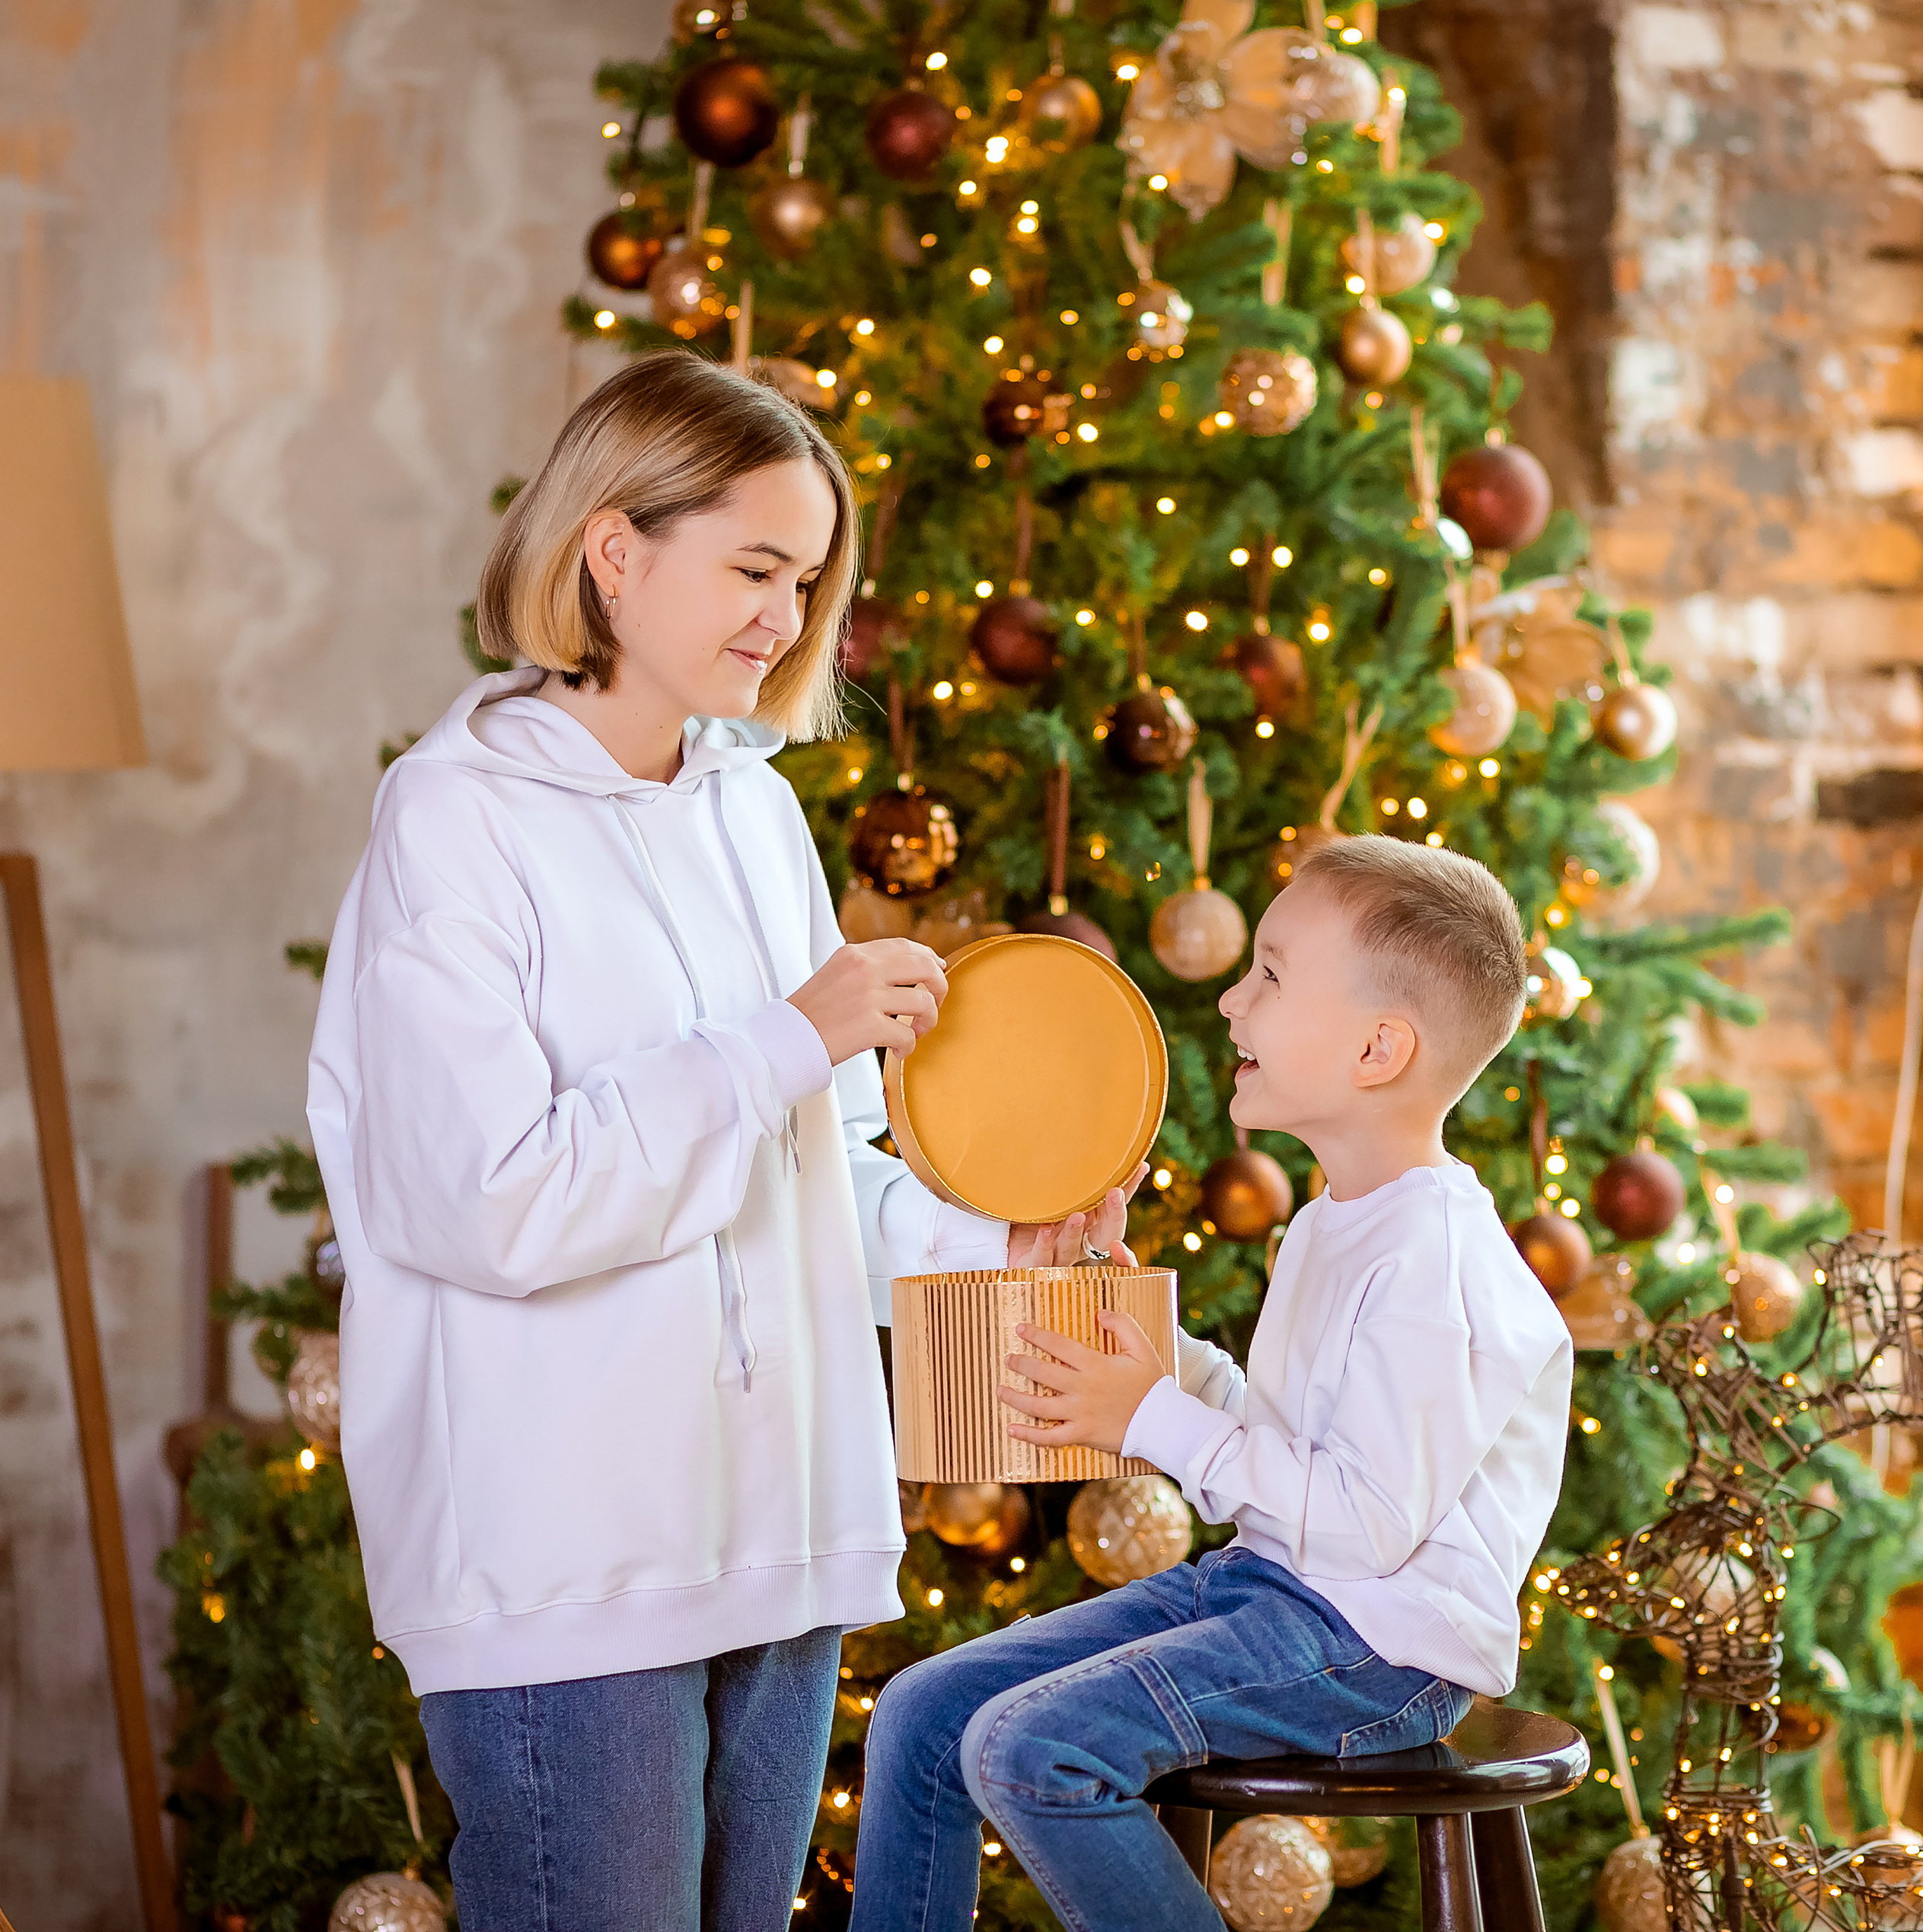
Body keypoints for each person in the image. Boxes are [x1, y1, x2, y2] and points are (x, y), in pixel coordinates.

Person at [305, 350, 1135, 1932]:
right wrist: (786, 1035)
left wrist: (990, 1244)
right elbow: (489, 1203)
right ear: (613, 551)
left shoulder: (755, 811)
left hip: (781, 1535)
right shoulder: (454, 818)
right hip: (563, 1557)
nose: (782, 613)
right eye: (751, 566)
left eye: (805, 576)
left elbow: (824, 1170)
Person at [851, 834, 1575, 1932]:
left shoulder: (1438, 1266)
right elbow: (1287, 1443)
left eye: (1272, 974)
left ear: (1380, 1048)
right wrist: (1149, 1344)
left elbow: (1366, 1522)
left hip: (1381, 1650)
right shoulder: (1338, 1219)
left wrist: (1153, 1417)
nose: (1233, 1003)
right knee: (921, 1711)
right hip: (1275, 1591)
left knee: (1026, 1749)